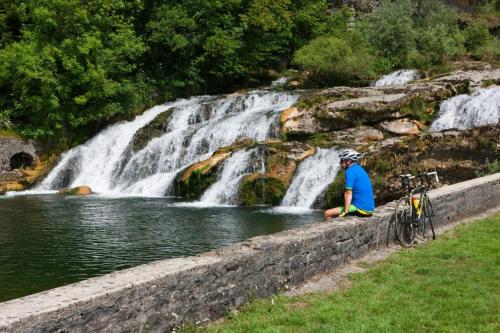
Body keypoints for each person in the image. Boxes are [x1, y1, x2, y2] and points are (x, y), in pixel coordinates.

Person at [324, 149, 375, 221]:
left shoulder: (350, 171)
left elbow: (348, 192)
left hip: (360, 209)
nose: (340, 163)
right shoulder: (359, 168)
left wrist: (346, 211)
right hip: (369, 208)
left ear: (348, 161)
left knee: (327, 213)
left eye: (342, 161)